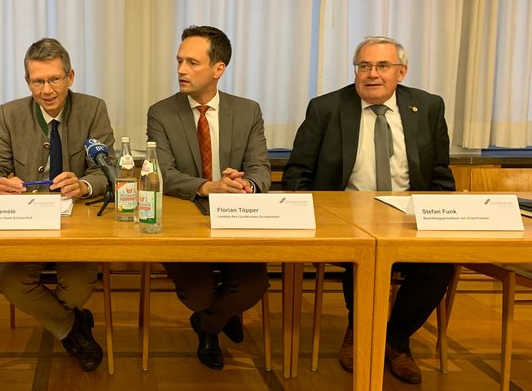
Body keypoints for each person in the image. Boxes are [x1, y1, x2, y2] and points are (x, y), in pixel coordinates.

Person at [282, 36, 455, 384]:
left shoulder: (428, 106)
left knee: (440, 263)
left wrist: (440, 219)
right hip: (343, 221)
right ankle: (360, 330)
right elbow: (296, 174)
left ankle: (392, 338)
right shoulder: (327, 108)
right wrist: (316, 218)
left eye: (382, 66)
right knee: (362, 254)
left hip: (408, 219)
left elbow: (439, 174)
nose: (371, 74)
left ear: (401, 72)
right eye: (364, 66)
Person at [0, 38, 114, 372]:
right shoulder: (9, 114)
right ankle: (74, 329)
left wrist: (83, 185)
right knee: (12, 283)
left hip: (77, 221)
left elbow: (110, 170)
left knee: (79, 286)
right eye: (38, 81)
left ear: (70, 76)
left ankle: (67, 319)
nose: (47, 89)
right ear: (27, 82)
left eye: (54, 79)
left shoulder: (93, 109)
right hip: (27, 221)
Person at [146, 25, 271, 370]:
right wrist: (207, 186)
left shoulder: (247, 111)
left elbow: (260, 168)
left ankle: (208, 325)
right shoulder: (161, 112)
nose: (181, 70)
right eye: (179, 61)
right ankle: (218, 316)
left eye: (192, 62)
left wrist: (245, 185)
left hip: (238, 218)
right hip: (185, 219)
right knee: (198, 293)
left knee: (253, 285)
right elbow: (163, 172)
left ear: (218, 69)